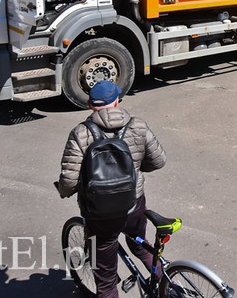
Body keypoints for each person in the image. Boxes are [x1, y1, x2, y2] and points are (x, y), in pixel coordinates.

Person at [57, 81, 166, 298]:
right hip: (133, 204)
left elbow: (69, 180)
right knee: (140, 244)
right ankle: (165, 285)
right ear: (117, 100)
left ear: (89, 104)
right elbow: (158, 161)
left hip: (100, 213)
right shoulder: (138, 126)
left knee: (106, 279)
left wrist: (65, 191)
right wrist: (135, 170)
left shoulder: (81, 133)